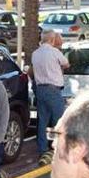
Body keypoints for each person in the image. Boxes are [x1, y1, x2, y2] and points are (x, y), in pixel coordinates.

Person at [31, 29, 69, 159]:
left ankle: (43, 149)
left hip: (40, 89)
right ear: (52, 39)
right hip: (53, 89)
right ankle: (59, 147)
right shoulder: (55, 52)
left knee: (43, 120)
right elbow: (66, 63)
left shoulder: (35, 54)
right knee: (58, 120)